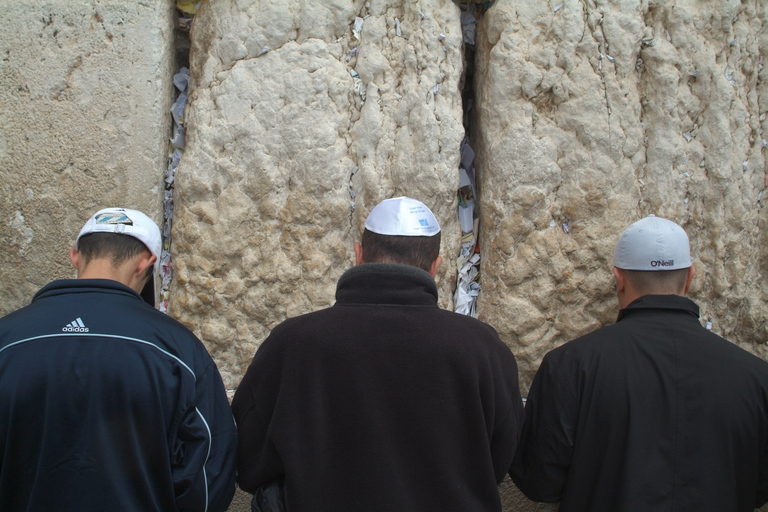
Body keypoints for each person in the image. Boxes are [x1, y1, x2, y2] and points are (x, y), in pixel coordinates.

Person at [232, 196, 525, 511]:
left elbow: (246, 459)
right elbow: (499, 460)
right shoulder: (483, 349)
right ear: (436, 267)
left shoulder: (290, 343)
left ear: (358, 256)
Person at [511, 215, 768, 512]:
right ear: (690, 277)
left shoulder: (570, 366)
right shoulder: (756, 377)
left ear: (619, 279)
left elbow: (540, 481)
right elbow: (756, 486)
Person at [0, 207, 237, 512]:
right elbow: (210, 466)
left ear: (75, 257)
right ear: (146, 263)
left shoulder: (8, 338)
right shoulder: (177, 348)